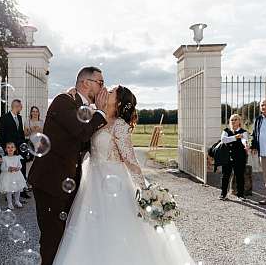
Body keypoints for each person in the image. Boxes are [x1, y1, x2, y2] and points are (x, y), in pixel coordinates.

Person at [53, 85, 194, 265]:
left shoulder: (119, 125)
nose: (106, 91)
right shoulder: (98, 117)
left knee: (117, 229)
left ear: (118, 102)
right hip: (92, 182)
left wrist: (145, 190)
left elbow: (131, 161)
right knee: (89, 230)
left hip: (114, 182)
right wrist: (73, 96)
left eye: (111, 92)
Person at [29, 66, 108, 265]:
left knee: (66, 237)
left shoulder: (82, 108)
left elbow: (84, 143)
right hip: (51, 183)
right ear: (85, 83)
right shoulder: (63, 101)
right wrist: (100, 112)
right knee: (52, 238)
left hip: (70, 182)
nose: (103, 88)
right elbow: (81, 132)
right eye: (100, 83)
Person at [0, 99, 31, 199]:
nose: (21, 108)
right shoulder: (4, 118)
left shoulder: (20, 118)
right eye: (20, 106)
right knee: (9, 170)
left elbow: (20, 133)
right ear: (15, 106)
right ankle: (9, 192)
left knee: (21, 168)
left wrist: (24, 145)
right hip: (9, 149)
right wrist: (5, 148)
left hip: (19, 148)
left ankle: (21, 191)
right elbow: (0, 134)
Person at [219, 114, 249, 200]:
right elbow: (223, 140)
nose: (233, 121)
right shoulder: (226, 130)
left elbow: (244, 140)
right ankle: (223, 194)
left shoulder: (243, 131)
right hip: (227, 157)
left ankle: (241, 195)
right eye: (232, 120)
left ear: (239, 121)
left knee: (239, 176)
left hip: (239, 157)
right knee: (225, 176)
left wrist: (245, 144)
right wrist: (236, 137)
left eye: (235, 119)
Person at [0, 142, 27, 209]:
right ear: (5, 149)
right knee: (9, 190)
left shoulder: (17, 157)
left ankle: (17, 201)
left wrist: (18, 168)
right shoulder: (4, 158)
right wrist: (8, 168)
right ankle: (10, 203)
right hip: (8, 177)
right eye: (8, 147)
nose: (10, 149)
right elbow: (2, 168)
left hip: (17, 176)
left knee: (18, 189)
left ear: (15, 149)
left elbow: (20, 165)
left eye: (12, 147)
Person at [24, 106, 44, 181]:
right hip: (31, 143)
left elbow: (45, 133)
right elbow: (25, 134)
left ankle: (37, 179)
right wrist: (31, 130)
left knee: (38, 162)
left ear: (38, 113)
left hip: (39, 144)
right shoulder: (27, 121)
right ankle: (28, 179)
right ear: (31, 113)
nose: (35, 113)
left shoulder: (41, 122)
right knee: (29, 161)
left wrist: (40, 130)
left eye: (36, 111)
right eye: (33, 111)